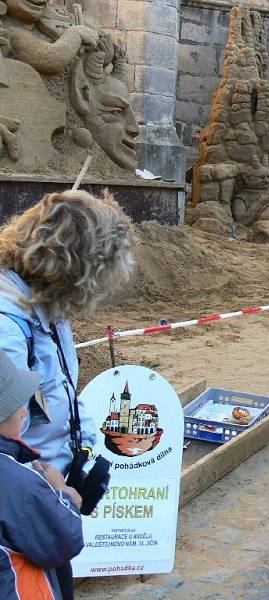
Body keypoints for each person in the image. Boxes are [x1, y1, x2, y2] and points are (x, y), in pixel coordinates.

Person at [0, 190, 135, 598]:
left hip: (45, 498)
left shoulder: (45, 303)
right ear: (80, 267)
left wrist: (84, 449)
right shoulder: (7, 323)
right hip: (22, 515)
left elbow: (60, 390)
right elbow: (7, 436)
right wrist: (53, 491)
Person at [0, 350, 85, 600]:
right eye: (16, 404)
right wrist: (64, 496)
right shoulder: (17, 482)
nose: (24, 411)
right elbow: (61, 541)